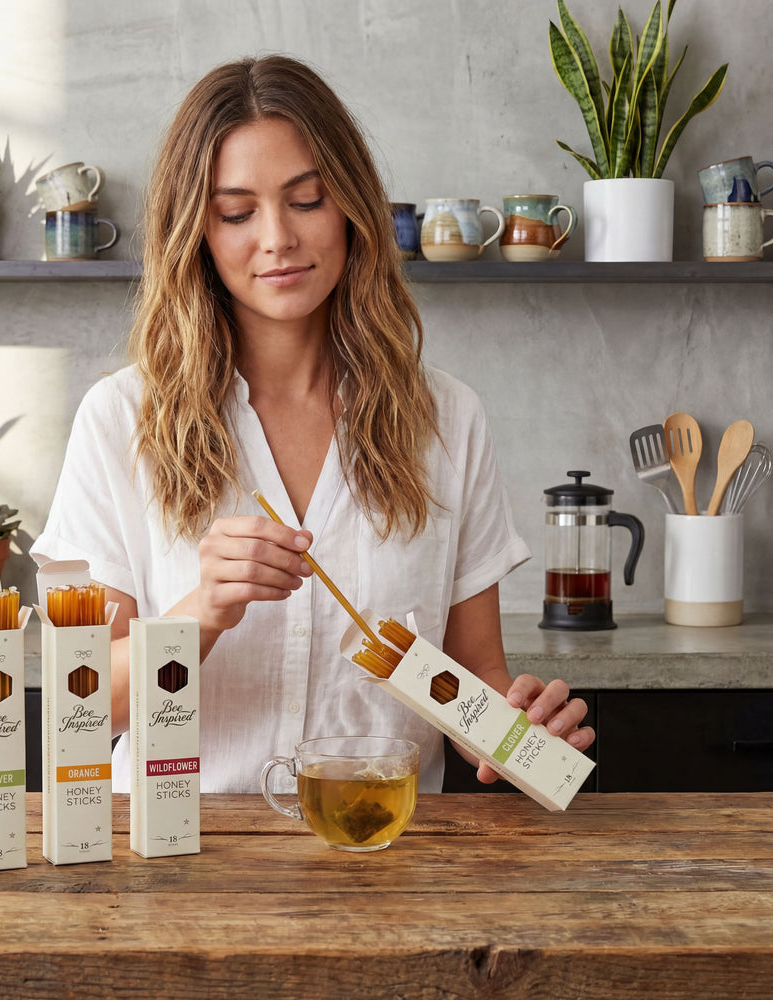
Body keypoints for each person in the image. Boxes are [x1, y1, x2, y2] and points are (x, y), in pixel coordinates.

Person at [31, 54, 594, 793]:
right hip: (178, 865)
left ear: (352, 206)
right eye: (236, 212)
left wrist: (516, 733)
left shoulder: (448, 418)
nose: (277, 239)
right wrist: (201, 614)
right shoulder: (121, 420)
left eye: (307, 200)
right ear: (195, 232)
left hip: (380, 857)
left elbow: (471, 680)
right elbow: (78, 708)